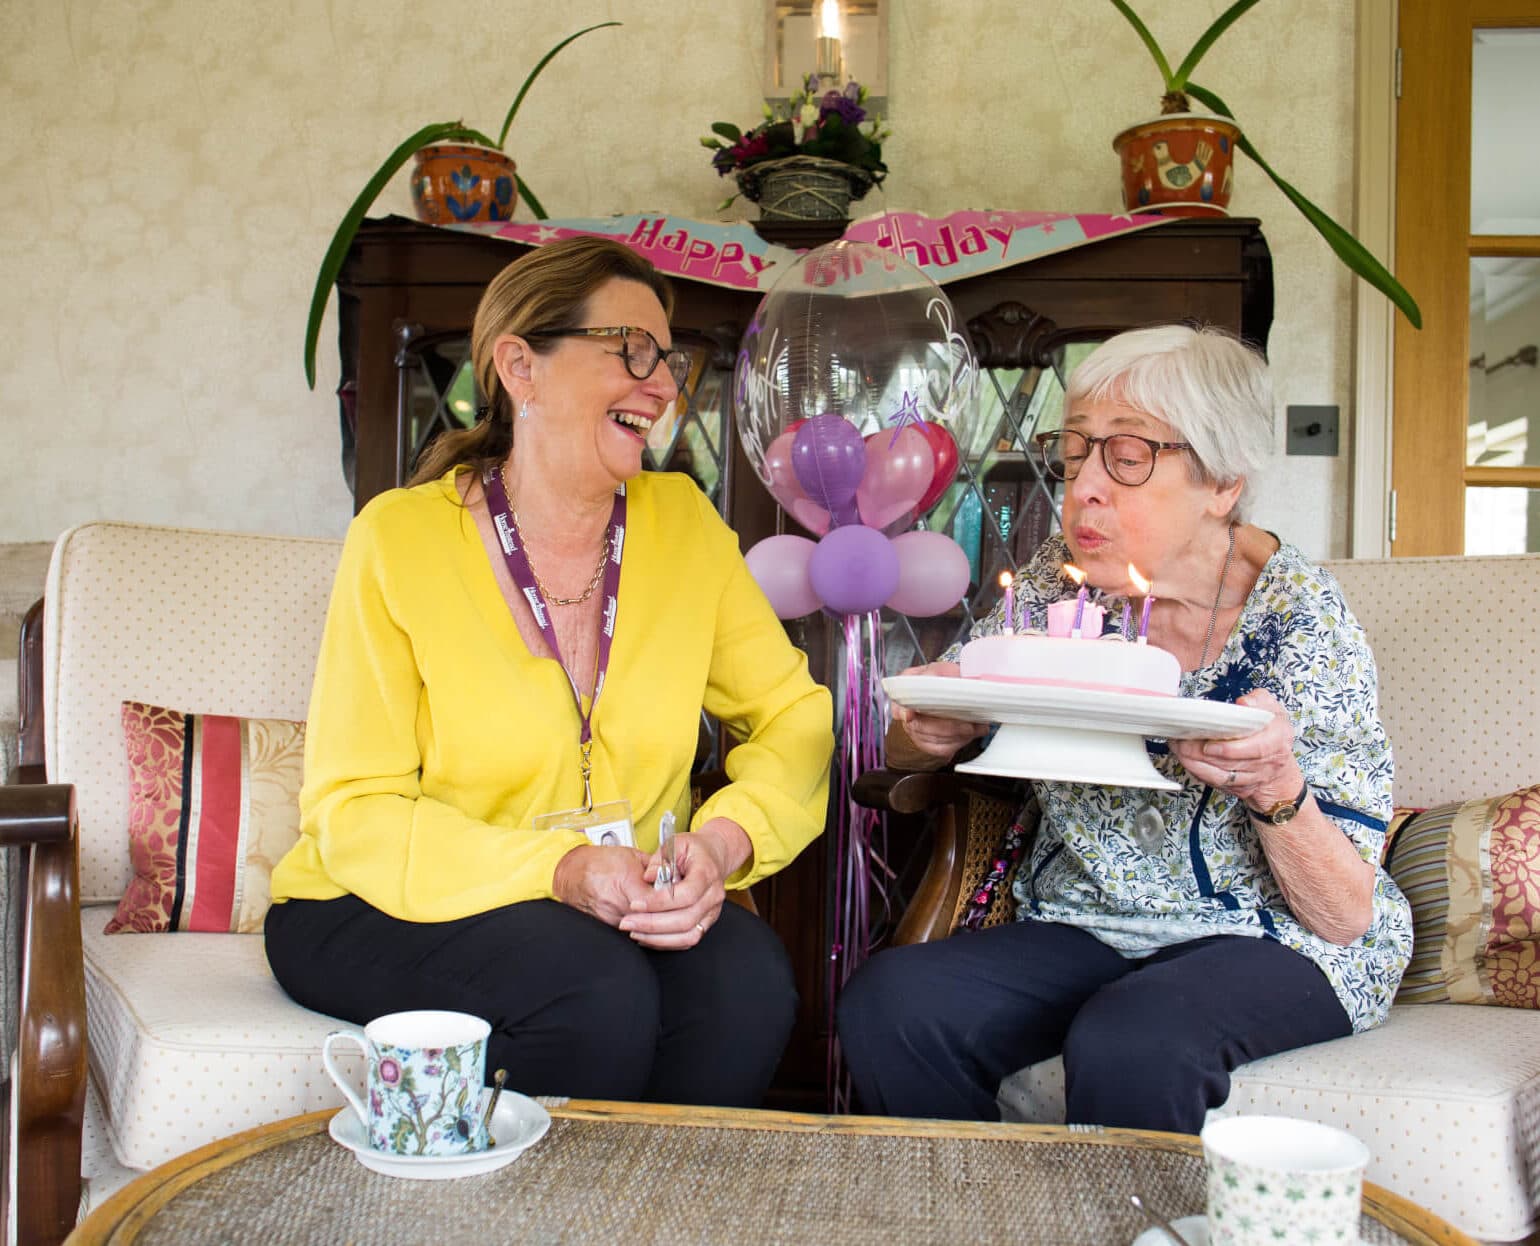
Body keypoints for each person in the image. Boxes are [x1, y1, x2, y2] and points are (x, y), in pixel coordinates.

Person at [266, 237, 834, 1108]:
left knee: (747, 978)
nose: (662, 383)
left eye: (669, 358)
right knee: (594, 988)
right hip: (383, 900)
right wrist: (561, 869)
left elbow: (794, 716)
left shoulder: (683, 525)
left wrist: (724, 845)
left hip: (612, 900)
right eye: (630, 351)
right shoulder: (400, 537)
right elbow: (355, 806)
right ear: (520, 367)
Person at [836, 324, 1411, 1133]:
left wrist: (1274, 787)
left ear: (1223, 483)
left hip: (1270, 939)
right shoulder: (1058, 586)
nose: (1084, 491)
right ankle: (975, 1211)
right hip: (1082, 922)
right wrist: (923, 733)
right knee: (894, 1003)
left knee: (1134, 1036)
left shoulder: (1299, 621)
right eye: (1075, 455)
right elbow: (925, 725)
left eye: (1128, 457)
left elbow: (1344, 914)